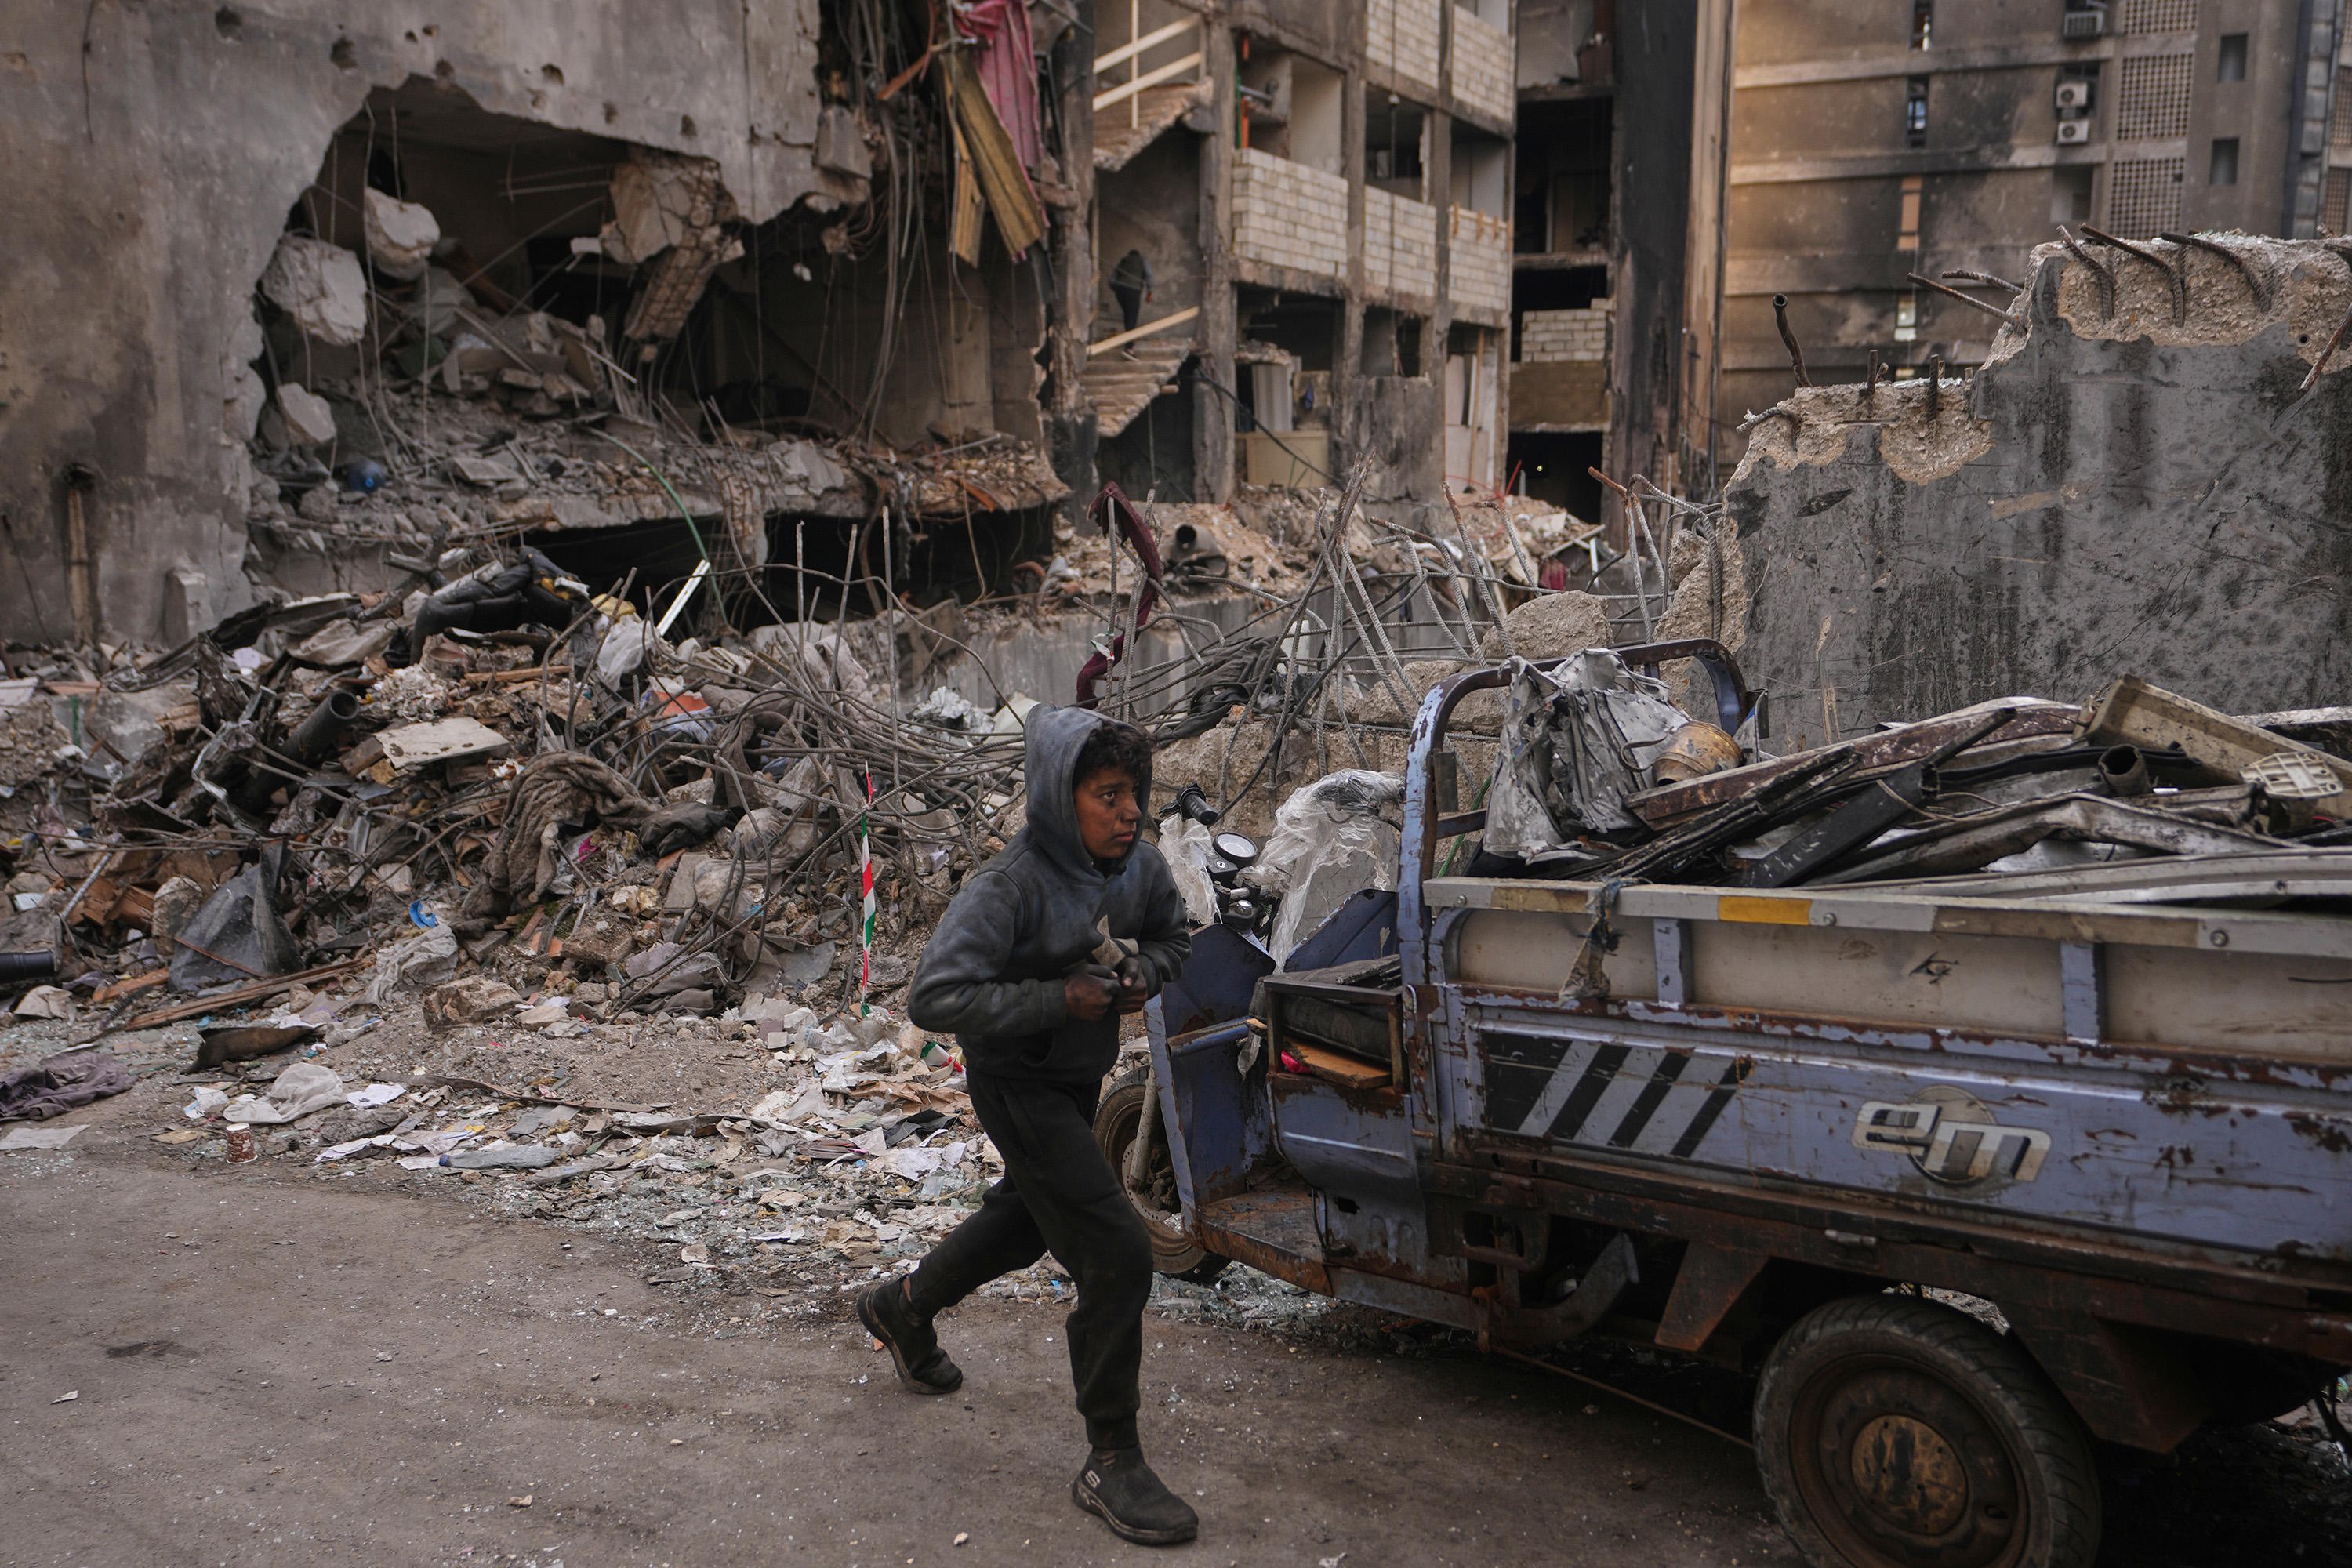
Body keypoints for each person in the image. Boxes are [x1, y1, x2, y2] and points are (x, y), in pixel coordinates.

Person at [859, 706, 1197, 1545]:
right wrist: (1059, 996)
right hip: (1015, 1080)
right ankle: (1110, 1456)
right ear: (1060, 798)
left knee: (1025, 1219)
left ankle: (904, 1306)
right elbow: (933, 996)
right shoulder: (1008, 887)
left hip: (1076, 1075)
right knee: (1116, 1249)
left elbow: (1173, 938)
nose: (1128, 811)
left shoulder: (1139, 868)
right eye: (1108, 794)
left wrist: (1139, 975)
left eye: (1135, 794)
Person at [1109, 249, 1153, 354]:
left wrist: (1116, 289)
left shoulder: (1123, 260)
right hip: (1133, 291)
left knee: (1127, 316)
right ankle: (1129, 348)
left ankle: (1128, 343)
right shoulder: (1143, 261)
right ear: (1138, 255)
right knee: (1132, 317)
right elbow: (1149, 275)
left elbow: (1112, 279)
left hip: (1120, 290)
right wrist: (1149, 292)